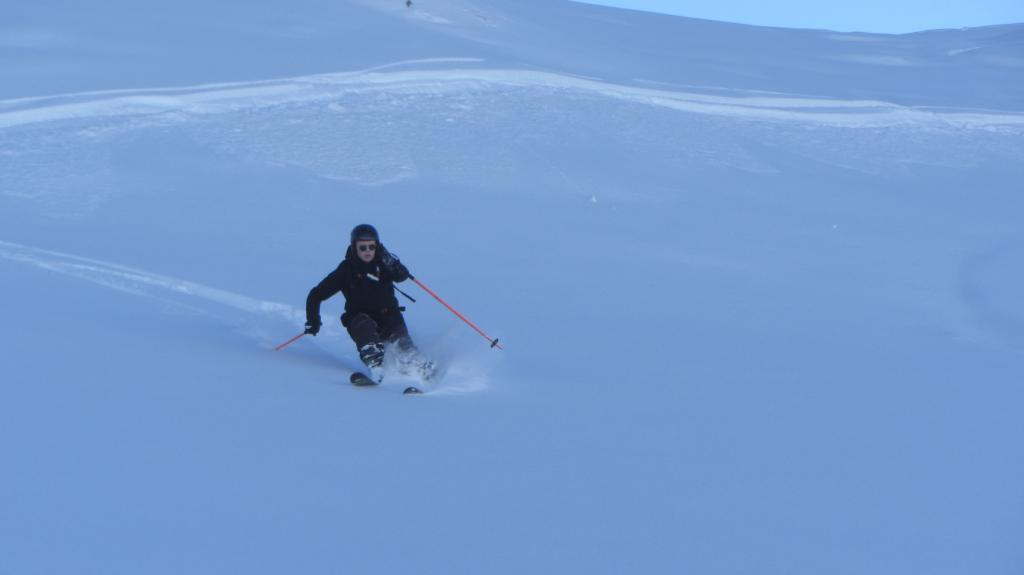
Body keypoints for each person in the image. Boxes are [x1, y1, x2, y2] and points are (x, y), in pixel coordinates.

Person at [304, 224, 432, 381]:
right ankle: (377, 370)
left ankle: (423, 373)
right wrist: (313, 320)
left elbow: (401, 276)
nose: (368, 251)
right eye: (362, 247)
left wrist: (393, 264)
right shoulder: (346, 270)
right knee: (366, 333)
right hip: (360, 320)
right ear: (354, 247)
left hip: (389, 317)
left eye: (372, 246)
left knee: (405, 349)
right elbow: (316, 295)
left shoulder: (384, 263)